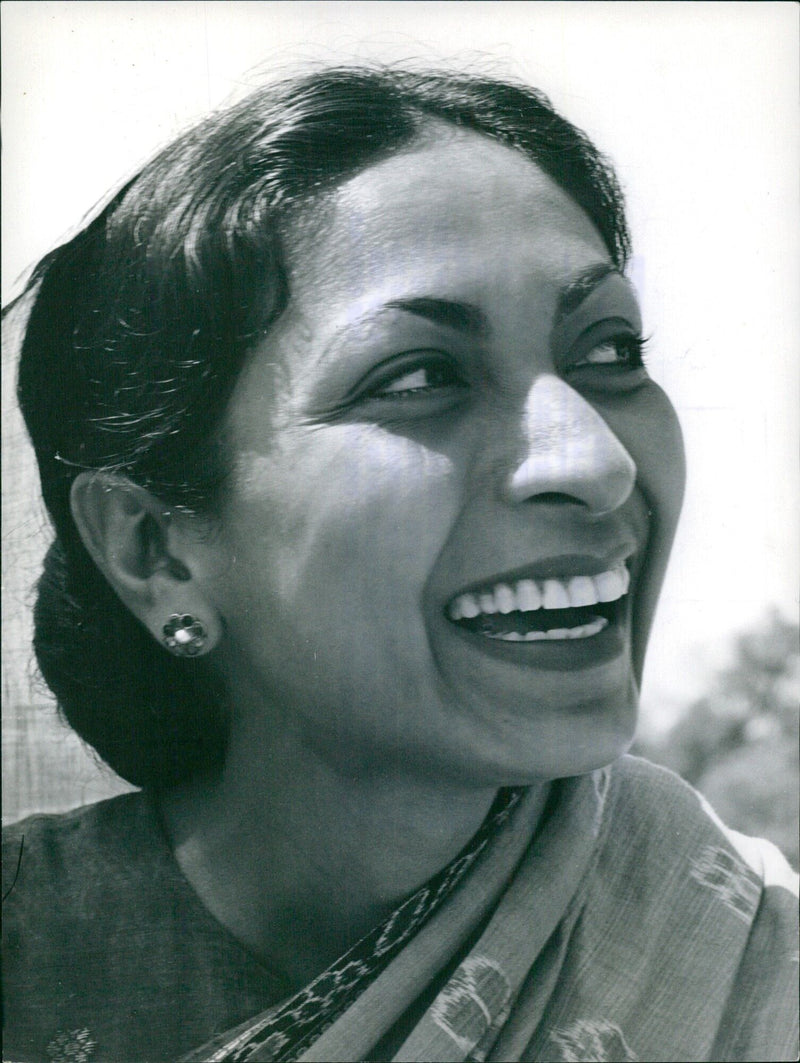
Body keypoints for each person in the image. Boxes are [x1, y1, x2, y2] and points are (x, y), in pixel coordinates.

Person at [2, 65, 797, 1063]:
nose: (595, 459)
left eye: (606, 352)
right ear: (155, 548)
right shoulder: (28, 949)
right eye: (419, 376)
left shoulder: (747, 956)